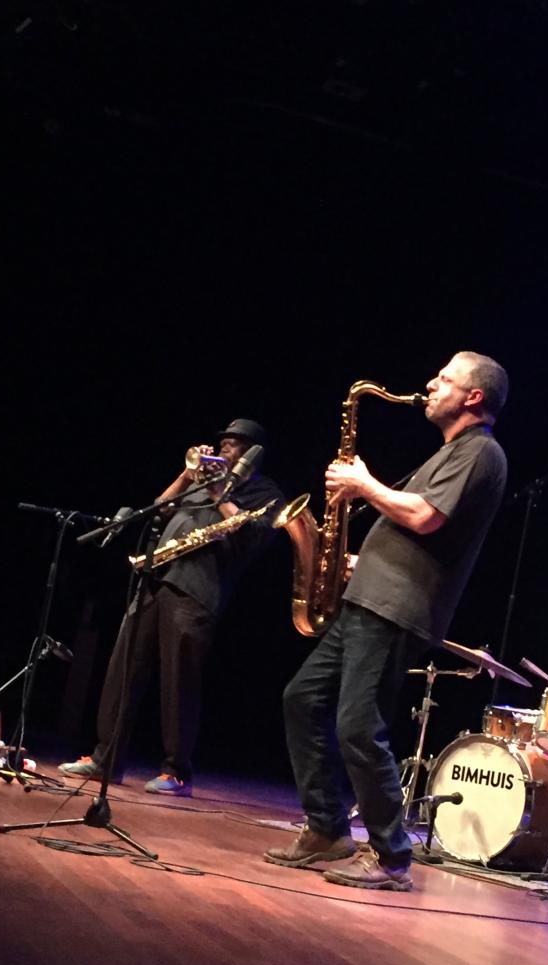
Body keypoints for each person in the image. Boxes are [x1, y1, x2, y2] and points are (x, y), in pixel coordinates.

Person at [264, 352, 509, 891]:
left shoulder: (481, 453)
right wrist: (360, 561)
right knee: (301, 699)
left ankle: (393, 856)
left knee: (358, 724)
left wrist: (364, 485)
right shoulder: (448, 453)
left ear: (473, 397)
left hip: (397, 608)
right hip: (368, 600)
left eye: (444, 378)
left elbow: (425, 516)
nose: (430, 384)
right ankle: (328, 829)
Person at [60, 419, 284, 798]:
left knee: (179, 681)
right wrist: (187, 476)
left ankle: (177, 771)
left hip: (196, 591)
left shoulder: (263, 490)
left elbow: (254, 538)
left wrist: (219, 494)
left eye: (231, 445)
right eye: (222, 443)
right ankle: (105, 759)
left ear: (252, 451)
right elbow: (158, 510)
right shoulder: (199, 480)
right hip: (155, 576)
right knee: (123, 668)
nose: (222, 450)